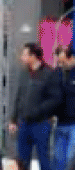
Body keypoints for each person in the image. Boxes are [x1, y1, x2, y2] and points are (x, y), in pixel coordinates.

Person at [10, 42, 62, 170]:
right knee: (22, 159)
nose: (22, 57)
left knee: (44, 158)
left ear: (33, 56)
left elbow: (55, 98)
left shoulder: (49, 73)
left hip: (41, 123)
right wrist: (13, 119)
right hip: (24, 122)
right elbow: (18, 96)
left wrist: (39, 110)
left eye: (24, 54)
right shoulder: (24, 73)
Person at [53, 45, 75, 170]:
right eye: (59, 62)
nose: (60, 65)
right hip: (60, 122)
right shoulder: (57, 73)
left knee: (71, 159)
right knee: (58, 159)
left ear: (71, 58)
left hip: (73, 124)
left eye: (63, 62)